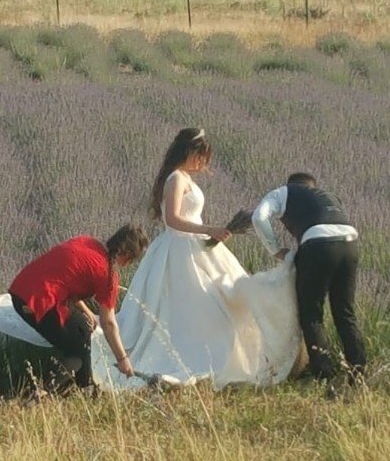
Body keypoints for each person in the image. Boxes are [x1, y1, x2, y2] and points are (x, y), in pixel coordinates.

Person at [91, 128, 302, 390]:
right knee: (195, 307)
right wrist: (208, 230)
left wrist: (209, 234)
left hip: (195, 247)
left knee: (223, 300)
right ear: (188, 152)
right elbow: (174, 219)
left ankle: (228, 357)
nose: (202, 163)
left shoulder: (184, 178)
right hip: (180, 250)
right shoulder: (176, 179)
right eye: (200, 156)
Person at [0, 224, 148, 395]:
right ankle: (44, 392)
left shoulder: (87, 241)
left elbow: (67, 277)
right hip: (36, 304)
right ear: (127, 256)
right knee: (77, 347)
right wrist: (122, 359)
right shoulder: (108, 276)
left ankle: (86, 387)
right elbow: (108, 323)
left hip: (19, 291)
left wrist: (86, 311)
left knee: (82, 327)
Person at [252, 172, 366, 383]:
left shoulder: (283, 192)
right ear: (314, 186)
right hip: (350, 242)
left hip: (318, 245)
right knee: (345, 312)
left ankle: (324, 375)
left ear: (292, 185)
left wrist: (276, 250)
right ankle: (358, 374)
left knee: (311, 314)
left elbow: (258, 217)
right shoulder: (329, 196)